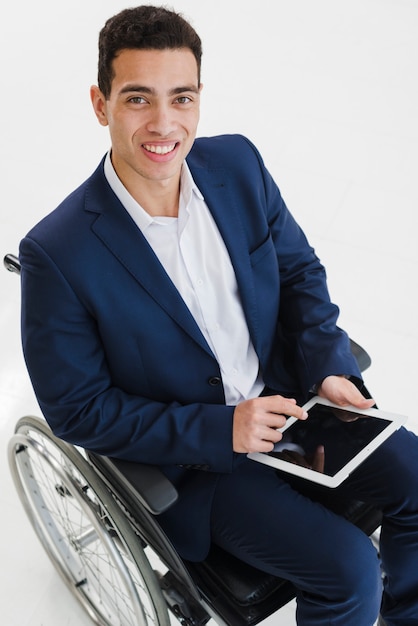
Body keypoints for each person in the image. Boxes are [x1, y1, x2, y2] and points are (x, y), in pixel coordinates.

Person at [19, 6, 418, 625]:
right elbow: (77, 410)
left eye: (181, 98)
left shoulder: (237, 164)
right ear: (100, 104)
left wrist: (327, 367)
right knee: (348, 570)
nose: (163, 123)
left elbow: (297, 275)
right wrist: (222, 429)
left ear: (199, 97)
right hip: (201, 461)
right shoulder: (59, 252)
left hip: (295, 406)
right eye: (137, 99)